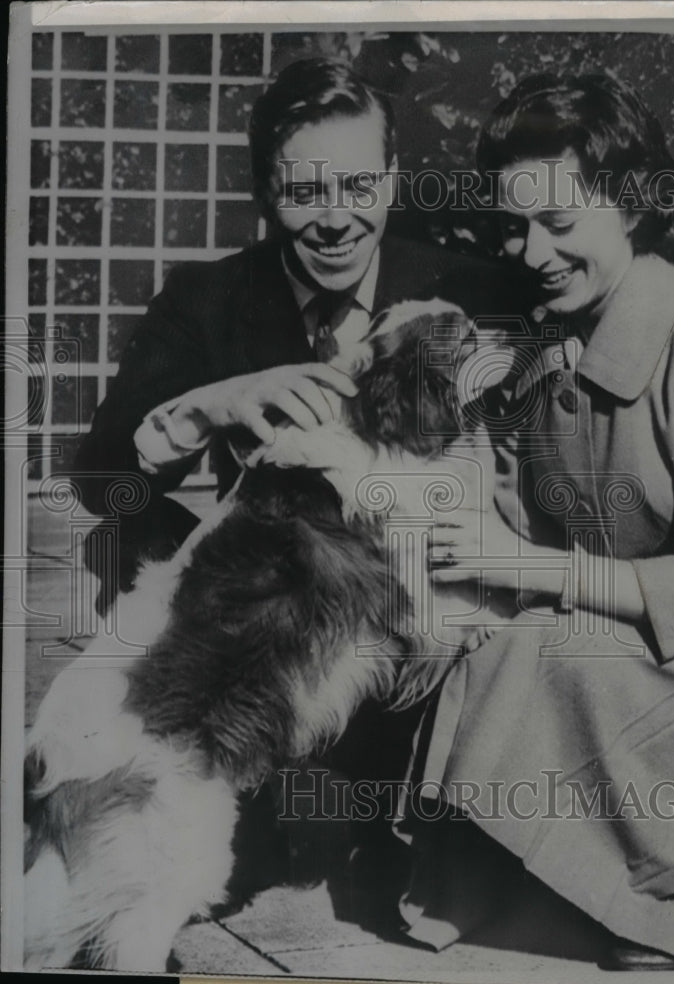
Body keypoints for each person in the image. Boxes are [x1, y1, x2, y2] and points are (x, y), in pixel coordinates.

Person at [395, 73, 674, 971]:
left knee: (563, 659)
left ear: (633, 206)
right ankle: (539, 868)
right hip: (643, 643)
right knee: (495, 645)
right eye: (515, 227)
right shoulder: (545, 339)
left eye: (560, 225)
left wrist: (529, 569)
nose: (531, 253)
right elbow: (525, 516)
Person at [70, 56, 513, 907]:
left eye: (357, 184)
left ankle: (425, 826)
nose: (337, 218)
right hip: (260, 668)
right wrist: (210, 406)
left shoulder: (468, 292)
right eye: (306, 191)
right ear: (267, 194)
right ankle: (176, 799)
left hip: (405, 648)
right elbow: (99, 478)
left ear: (391, 179)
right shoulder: (206, 298)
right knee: (132, 538)